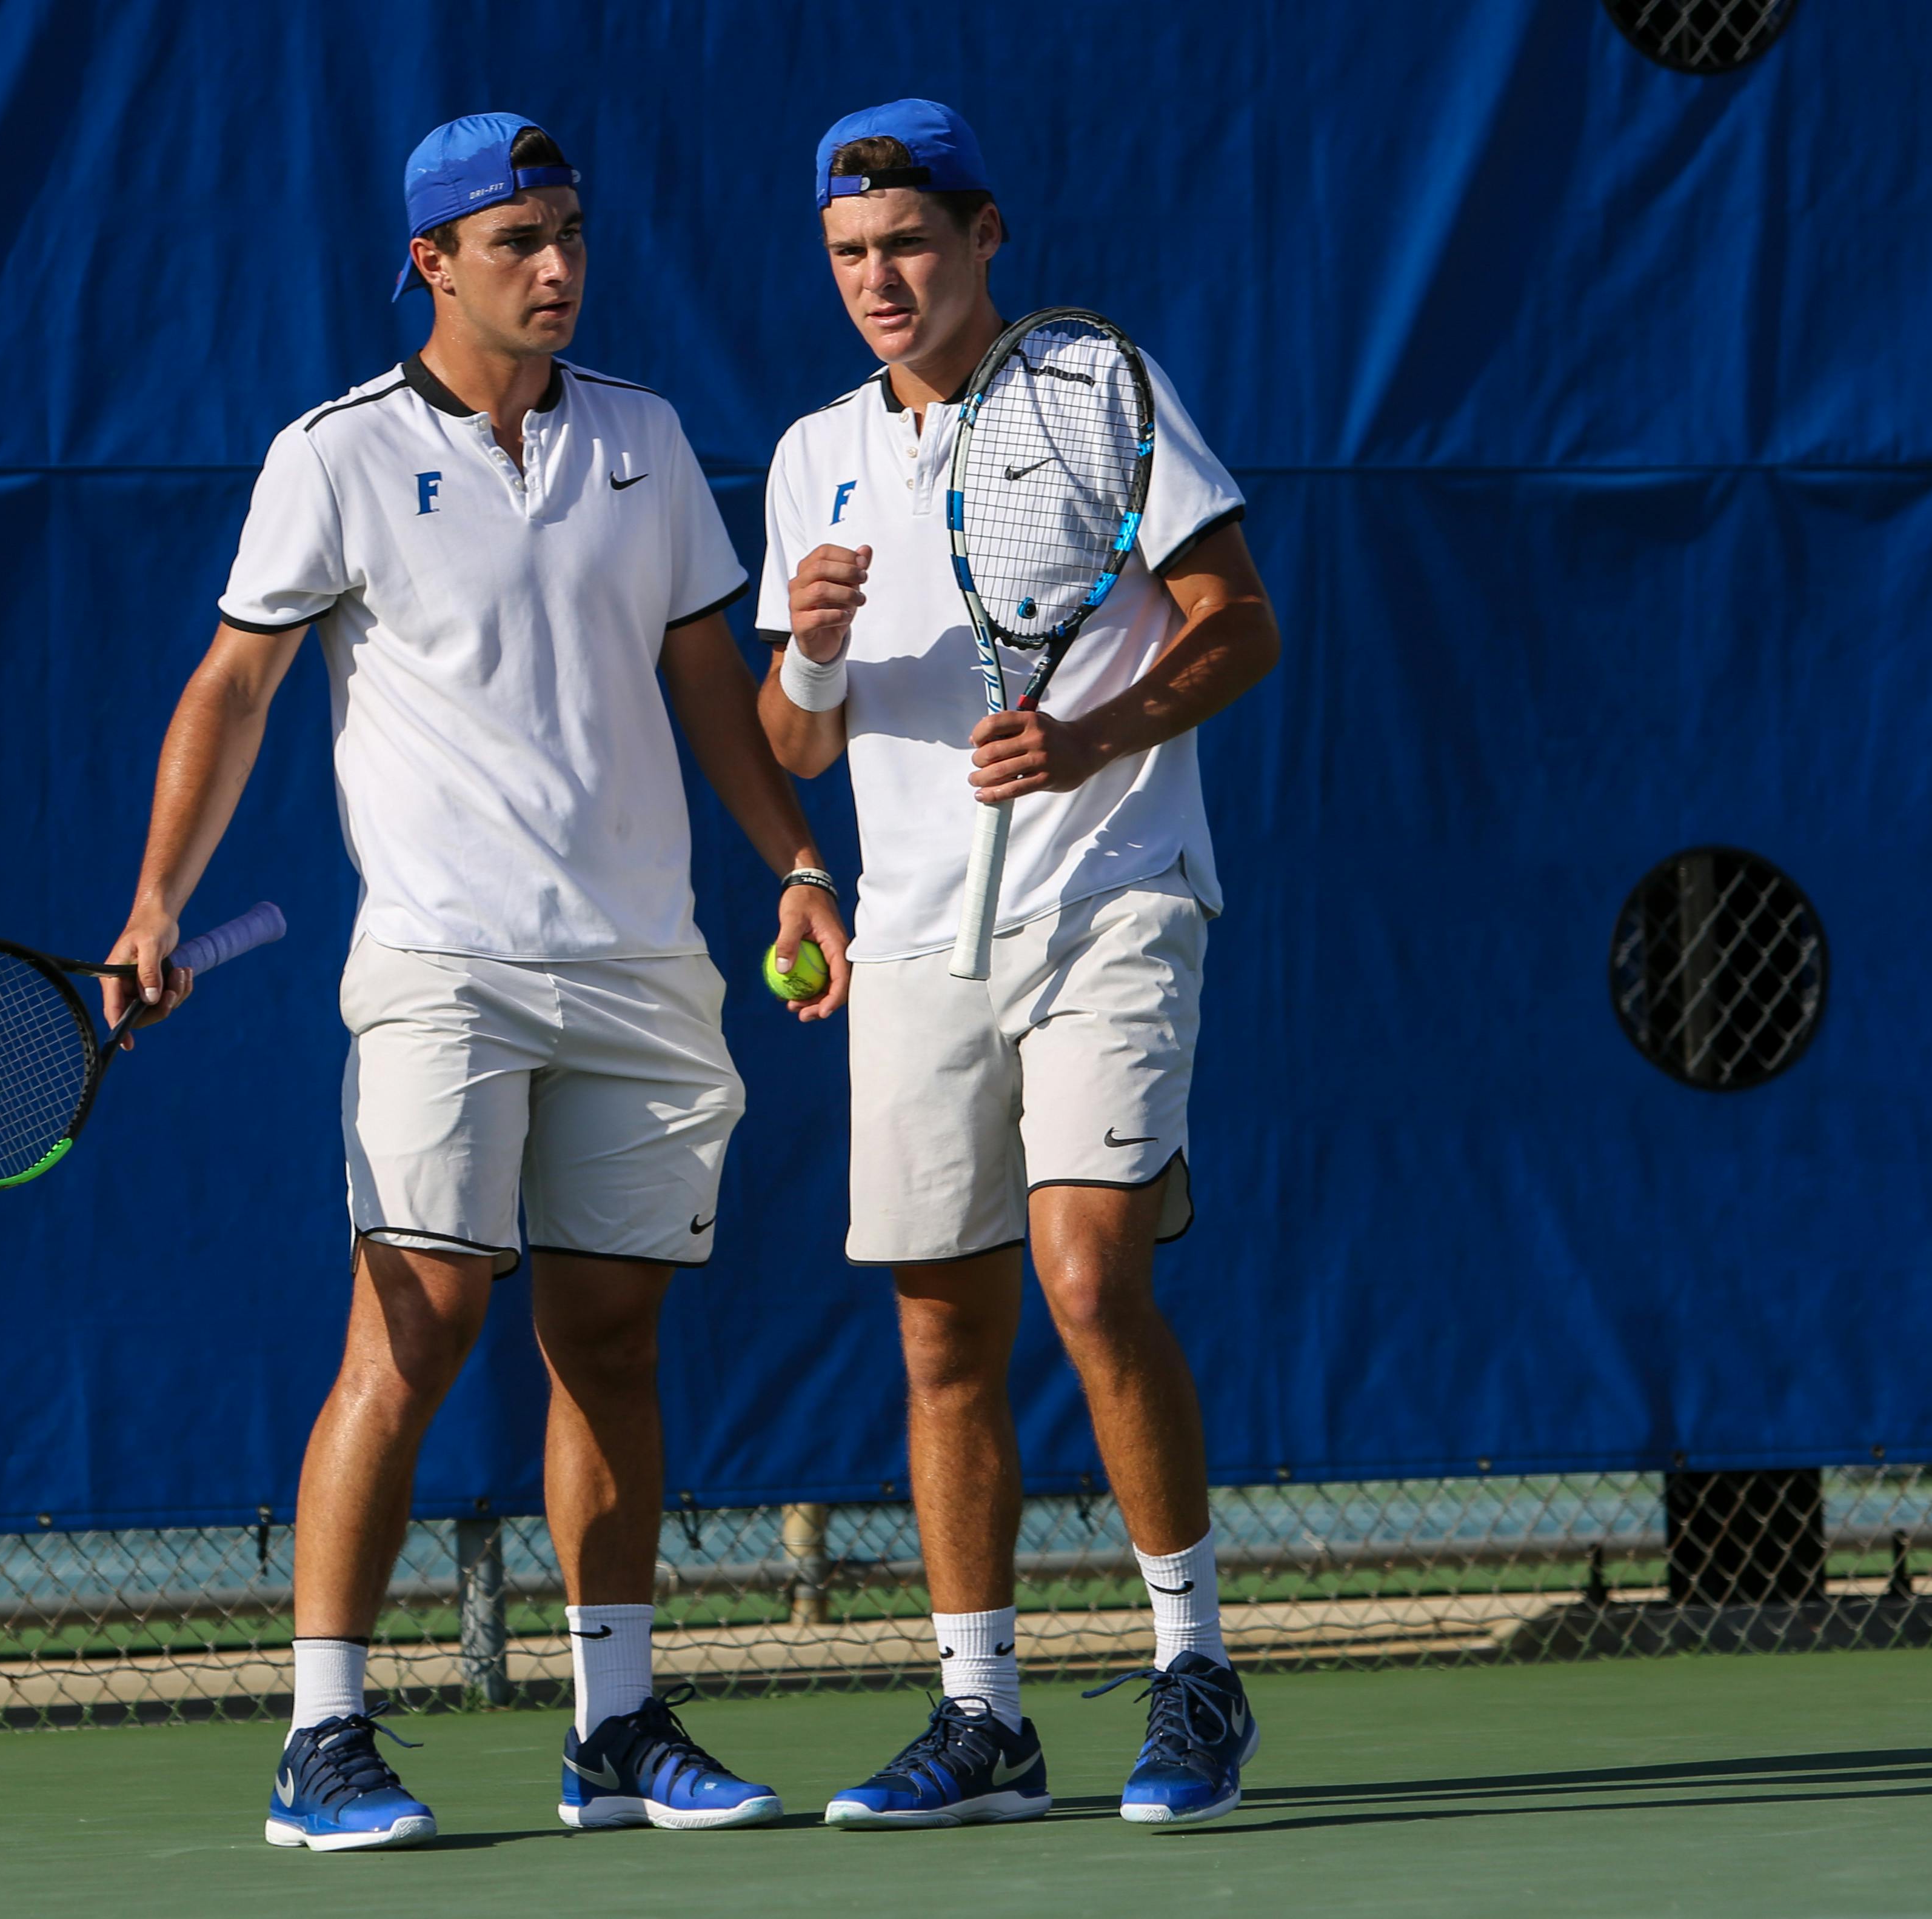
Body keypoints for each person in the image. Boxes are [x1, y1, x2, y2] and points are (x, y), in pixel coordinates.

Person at [105, 111, 851, 1852]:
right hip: (444, 964)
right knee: (418, 1322)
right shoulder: (338, 457)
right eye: (518, 239)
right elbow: (233, 693)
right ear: (431, 263)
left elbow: (709, 685)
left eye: (571, 232)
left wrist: (801, 865)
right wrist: (157, 900)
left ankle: (614, 1726)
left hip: (645, 965)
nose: (559, 265)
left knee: (612, 1342)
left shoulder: (651, 444)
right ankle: (322, 1737)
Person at [755, 99, 1282, 1829]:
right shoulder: (811, 453)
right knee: (938, 1333)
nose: (878, 280)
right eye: (849, 255)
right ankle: (982, 1715)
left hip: (1115, 893)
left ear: (986, 238)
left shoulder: (1095, 398)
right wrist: (815, 654)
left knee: (1085, 1271)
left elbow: (1240, 624)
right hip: (915, 937)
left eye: (906, 244)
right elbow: (793, 740)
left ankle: (1194, 1670)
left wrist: (1092, 736)